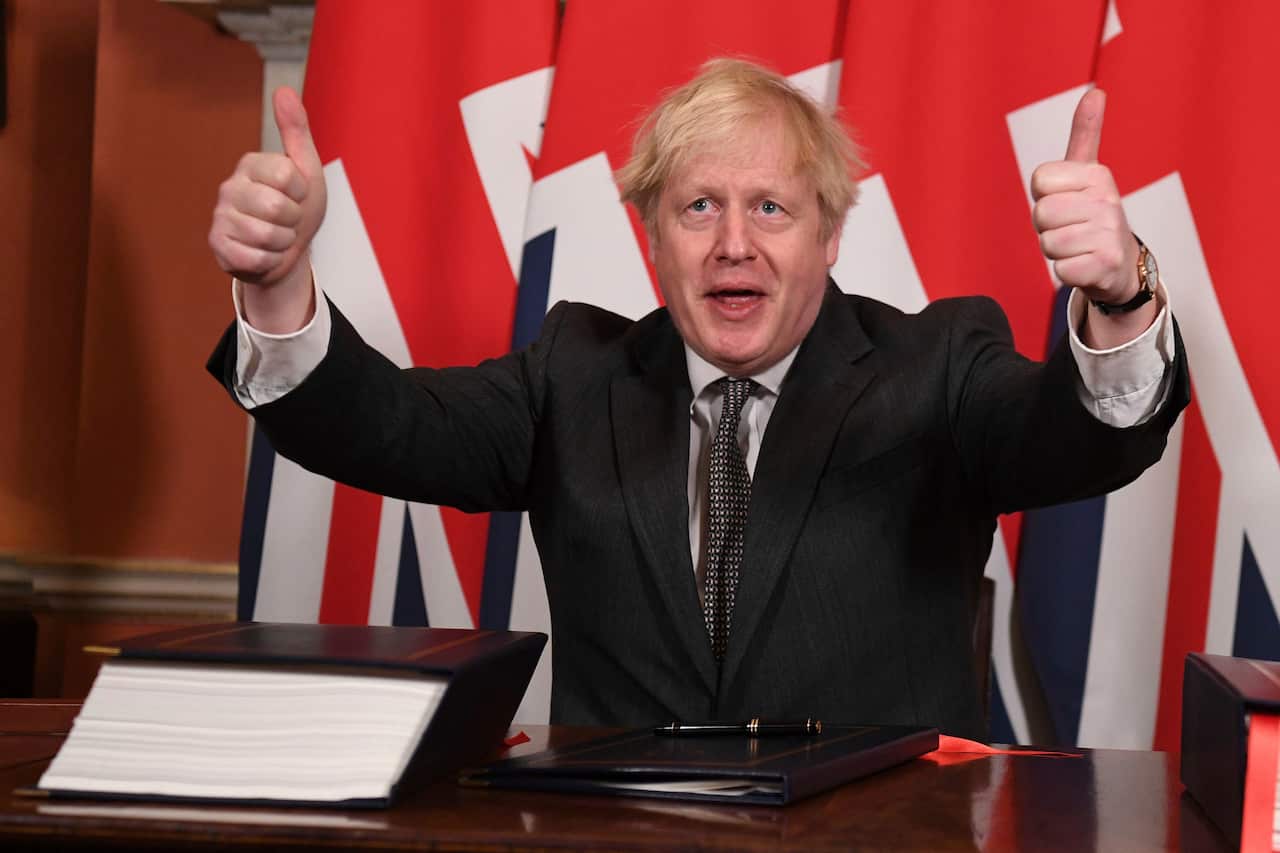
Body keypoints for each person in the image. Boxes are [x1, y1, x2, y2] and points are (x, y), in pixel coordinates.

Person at [207, 59, 1188, 739]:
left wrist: (1118, 293)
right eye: (697, 207)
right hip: (622, 834)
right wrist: (277, 285)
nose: (732, 245)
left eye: (770, 207)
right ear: (649, 236)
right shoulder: (572, 372)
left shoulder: (935, 364)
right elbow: (382, 428)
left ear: (827, 235)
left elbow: (1081, 441)